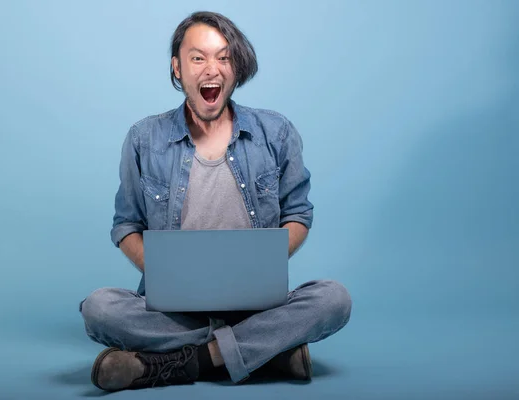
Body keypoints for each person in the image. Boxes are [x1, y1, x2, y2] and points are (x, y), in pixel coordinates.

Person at [79, 11, 352, 392]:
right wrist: (162, 271)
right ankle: (265, 351)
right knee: (99, 309)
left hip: (258, 306)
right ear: (177, 69)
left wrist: (262, 264)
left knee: (334, 299)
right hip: (176, 310)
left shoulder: (276, 133)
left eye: (224, 57)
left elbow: (298, 214)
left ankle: (186, 363)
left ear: (236, 68)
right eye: (198, 58)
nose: (213, 69)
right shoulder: (144, 138)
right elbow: (126, 225)